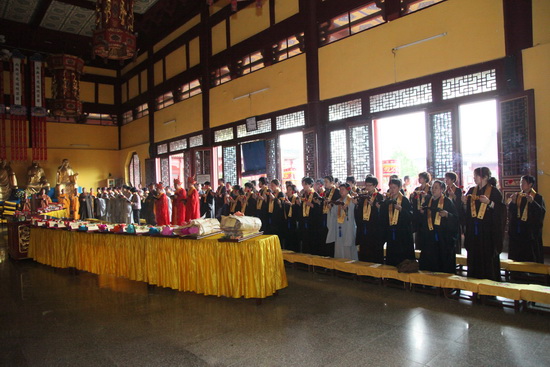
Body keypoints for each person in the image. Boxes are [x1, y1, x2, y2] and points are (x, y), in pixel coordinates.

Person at [462, 167, 505, 281]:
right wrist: (464, 203)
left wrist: (490, 203)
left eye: (476, 176)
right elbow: (467, 212)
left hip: (488, 231)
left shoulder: (494, 191)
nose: (474, 178)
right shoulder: (471, 191)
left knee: (487, 257)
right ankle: (473, 283)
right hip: (474, 230)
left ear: (485, 177)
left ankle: (490, 284)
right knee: (474, 256)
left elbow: (501, 210)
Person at [418, 180, 459, 273]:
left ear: (442, 190)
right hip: (429, 236)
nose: (433, 190)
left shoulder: (447, 201)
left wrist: (447, 215)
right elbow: (423, 218)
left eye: (436, 188)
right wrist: (422, 212)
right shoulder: (428, 201)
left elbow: (456, 219)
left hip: (443, 237)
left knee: (442, 261)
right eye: (432, 187)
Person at [507, 175, 546, 263]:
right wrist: (512, 202)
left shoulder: (537, 197)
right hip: (518, 228)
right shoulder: (518, 196)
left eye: (523, 183)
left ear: (530, 184)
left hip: (530, 229)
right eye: (520, 182)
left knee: (530, 250)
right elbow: (512, 212)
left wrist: (532, 202)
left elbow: (541, 212)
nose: (521, 185)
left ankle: (532, 270)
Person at [380, 178, 415, 266]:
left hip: (402, 233)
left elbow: (410, 216)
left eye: (394, 187)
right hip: (391, 232)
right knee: (391, 255)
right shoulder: (388, 201)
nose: (392, 190)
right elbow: (383, 217)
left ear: (399, 188)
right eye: (390, 187)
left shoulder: (404, 200)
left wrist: (401, 210)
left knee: (402, 256)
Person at [355, 175, 384, 263]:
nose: (367, 187)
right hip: (364, 226)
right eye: (366, 185)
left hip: (375, 228)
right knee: (364, 249)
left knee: (374, 250)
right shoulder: (363, 197)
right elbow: (359, 213)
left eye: (369, 185)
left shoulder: (379, 197)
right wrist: (356, 205)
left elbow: (382, 214)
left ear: (375, 185)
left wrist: (375, 206)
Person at [334, 183, 358, 260]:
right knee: (339, 244)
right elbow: (334, 214)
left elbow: (354, 214)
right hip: (339, 226)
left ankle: (350, 265)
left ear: (348, 190)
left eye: (343, 189)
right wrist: (330, 209)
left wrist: (346, 210)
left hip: (348, 226)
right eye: (340, 189)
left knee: (348, 245)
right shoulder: (337, 201)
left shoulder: (351, 200)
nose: (341, 191)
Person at [299, 177, 323, 254]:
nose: (304, 186)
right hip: (305, 220)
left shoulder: (315, 194)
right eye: (303, 184)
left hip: (313, 222)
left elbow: (320, 208)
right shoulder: (303, 195)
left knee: (312, 239)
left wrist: (312, 205)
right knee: (305, 239)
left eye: (305, 184)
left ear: (310, 184)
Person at [411, 172, 432, 251]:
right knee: (418, 234)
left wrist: (426, 196)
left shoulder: (430, 189)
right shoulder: (417, 189)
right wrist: (413, 197)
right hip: (418, 214)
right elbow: (414, 201)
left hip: (426, 214)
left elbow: (432, 199)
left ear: (426, 179)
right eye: (419, 178)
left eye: (421, 178)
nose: (419, 179)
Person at [444, 172, 464, 254]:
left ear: (453, 180)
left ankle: (457, 253)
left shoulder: (458, 190)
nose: (446, 180)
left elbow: (460, 204)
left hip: (455, 215)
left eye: (448, 179)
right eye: (446, 179)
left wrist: (454, 196)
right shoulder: (445, 190)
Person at [323, 175, 341, 257]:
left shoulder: (337, 191)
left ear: (332, 182)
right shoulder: (327, 192)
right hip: (328, 215)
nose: (325, 184)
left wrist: (332, 205)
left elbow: (338, 203)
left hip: (334, 216)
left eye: (326, 182)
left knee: (333, 236)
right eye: (324, 182)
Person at [282, 184, 301, 252]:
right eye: (288, 189)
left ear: (293, 191)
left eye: (290, 189)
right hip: (287, 220)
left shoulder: (296, 198)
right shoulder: (286, 198)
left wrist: (291, 205)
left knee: (294, 237)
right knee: (287, 237)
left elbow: (298, 209)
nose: (288, 191)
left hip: (293, 220)